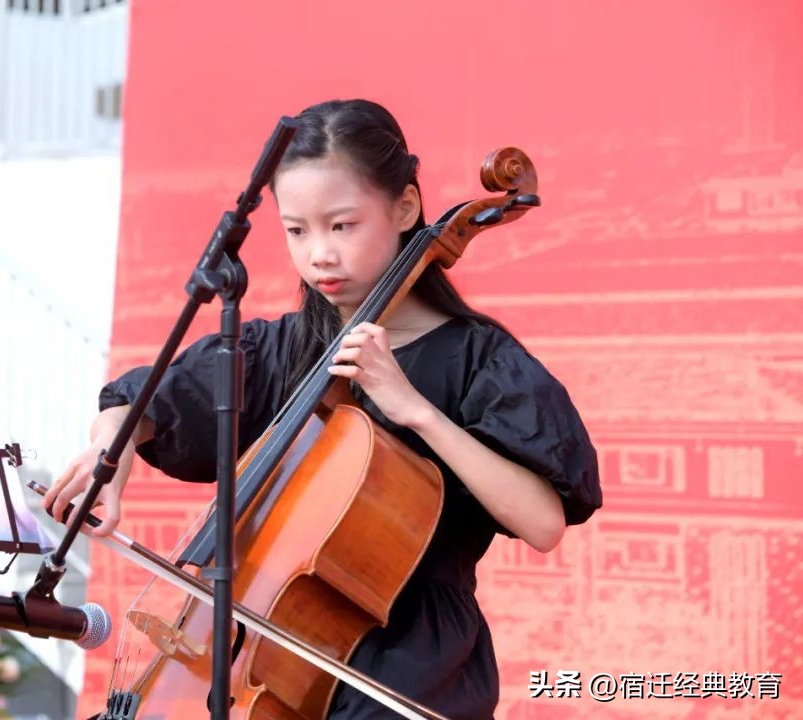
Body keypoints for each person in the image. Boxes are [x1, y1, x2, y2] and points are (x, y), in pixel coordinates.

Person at [44, 98, 602, 720]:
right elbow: (140, 402)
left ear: (407, 209)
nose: (319, 255)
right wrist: (107, 455)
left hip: (407, 668)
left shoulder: (478, 359)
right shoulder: (277, 350)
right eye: (297, 230)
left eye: (342, 226)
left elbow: (543, 522)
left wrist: (415, 410)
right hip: (255, 657)